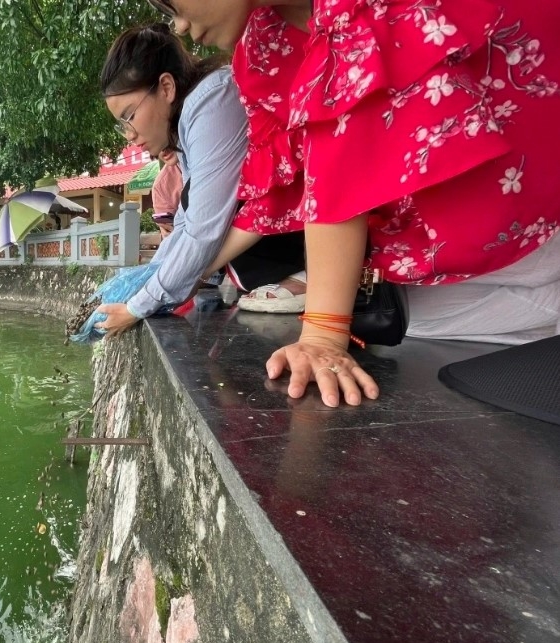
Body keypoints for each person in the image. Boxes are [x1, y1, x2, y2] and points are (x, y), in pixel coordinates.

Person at [147, 0, 560, 407]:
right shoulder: (261, 47)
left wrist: (323, 334)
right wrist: (180, 274)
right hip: (427, 267)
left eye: (174, 6)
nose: (180, 26)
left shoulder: (352, 13)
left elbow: (339, 166)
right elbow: (284, 186)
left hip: (526, 229)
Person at [92, 24, 304, 339]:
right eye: (121, 126)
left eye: (129, 117)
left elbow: (203, 230)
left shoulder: (209, 101)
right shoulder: (187, 124)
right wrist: (147, 280)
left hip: (305, 230)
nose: (130, 136)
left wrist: (141, 304)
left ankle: (307, 274)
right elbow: (187, 222)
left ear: (165, 87)